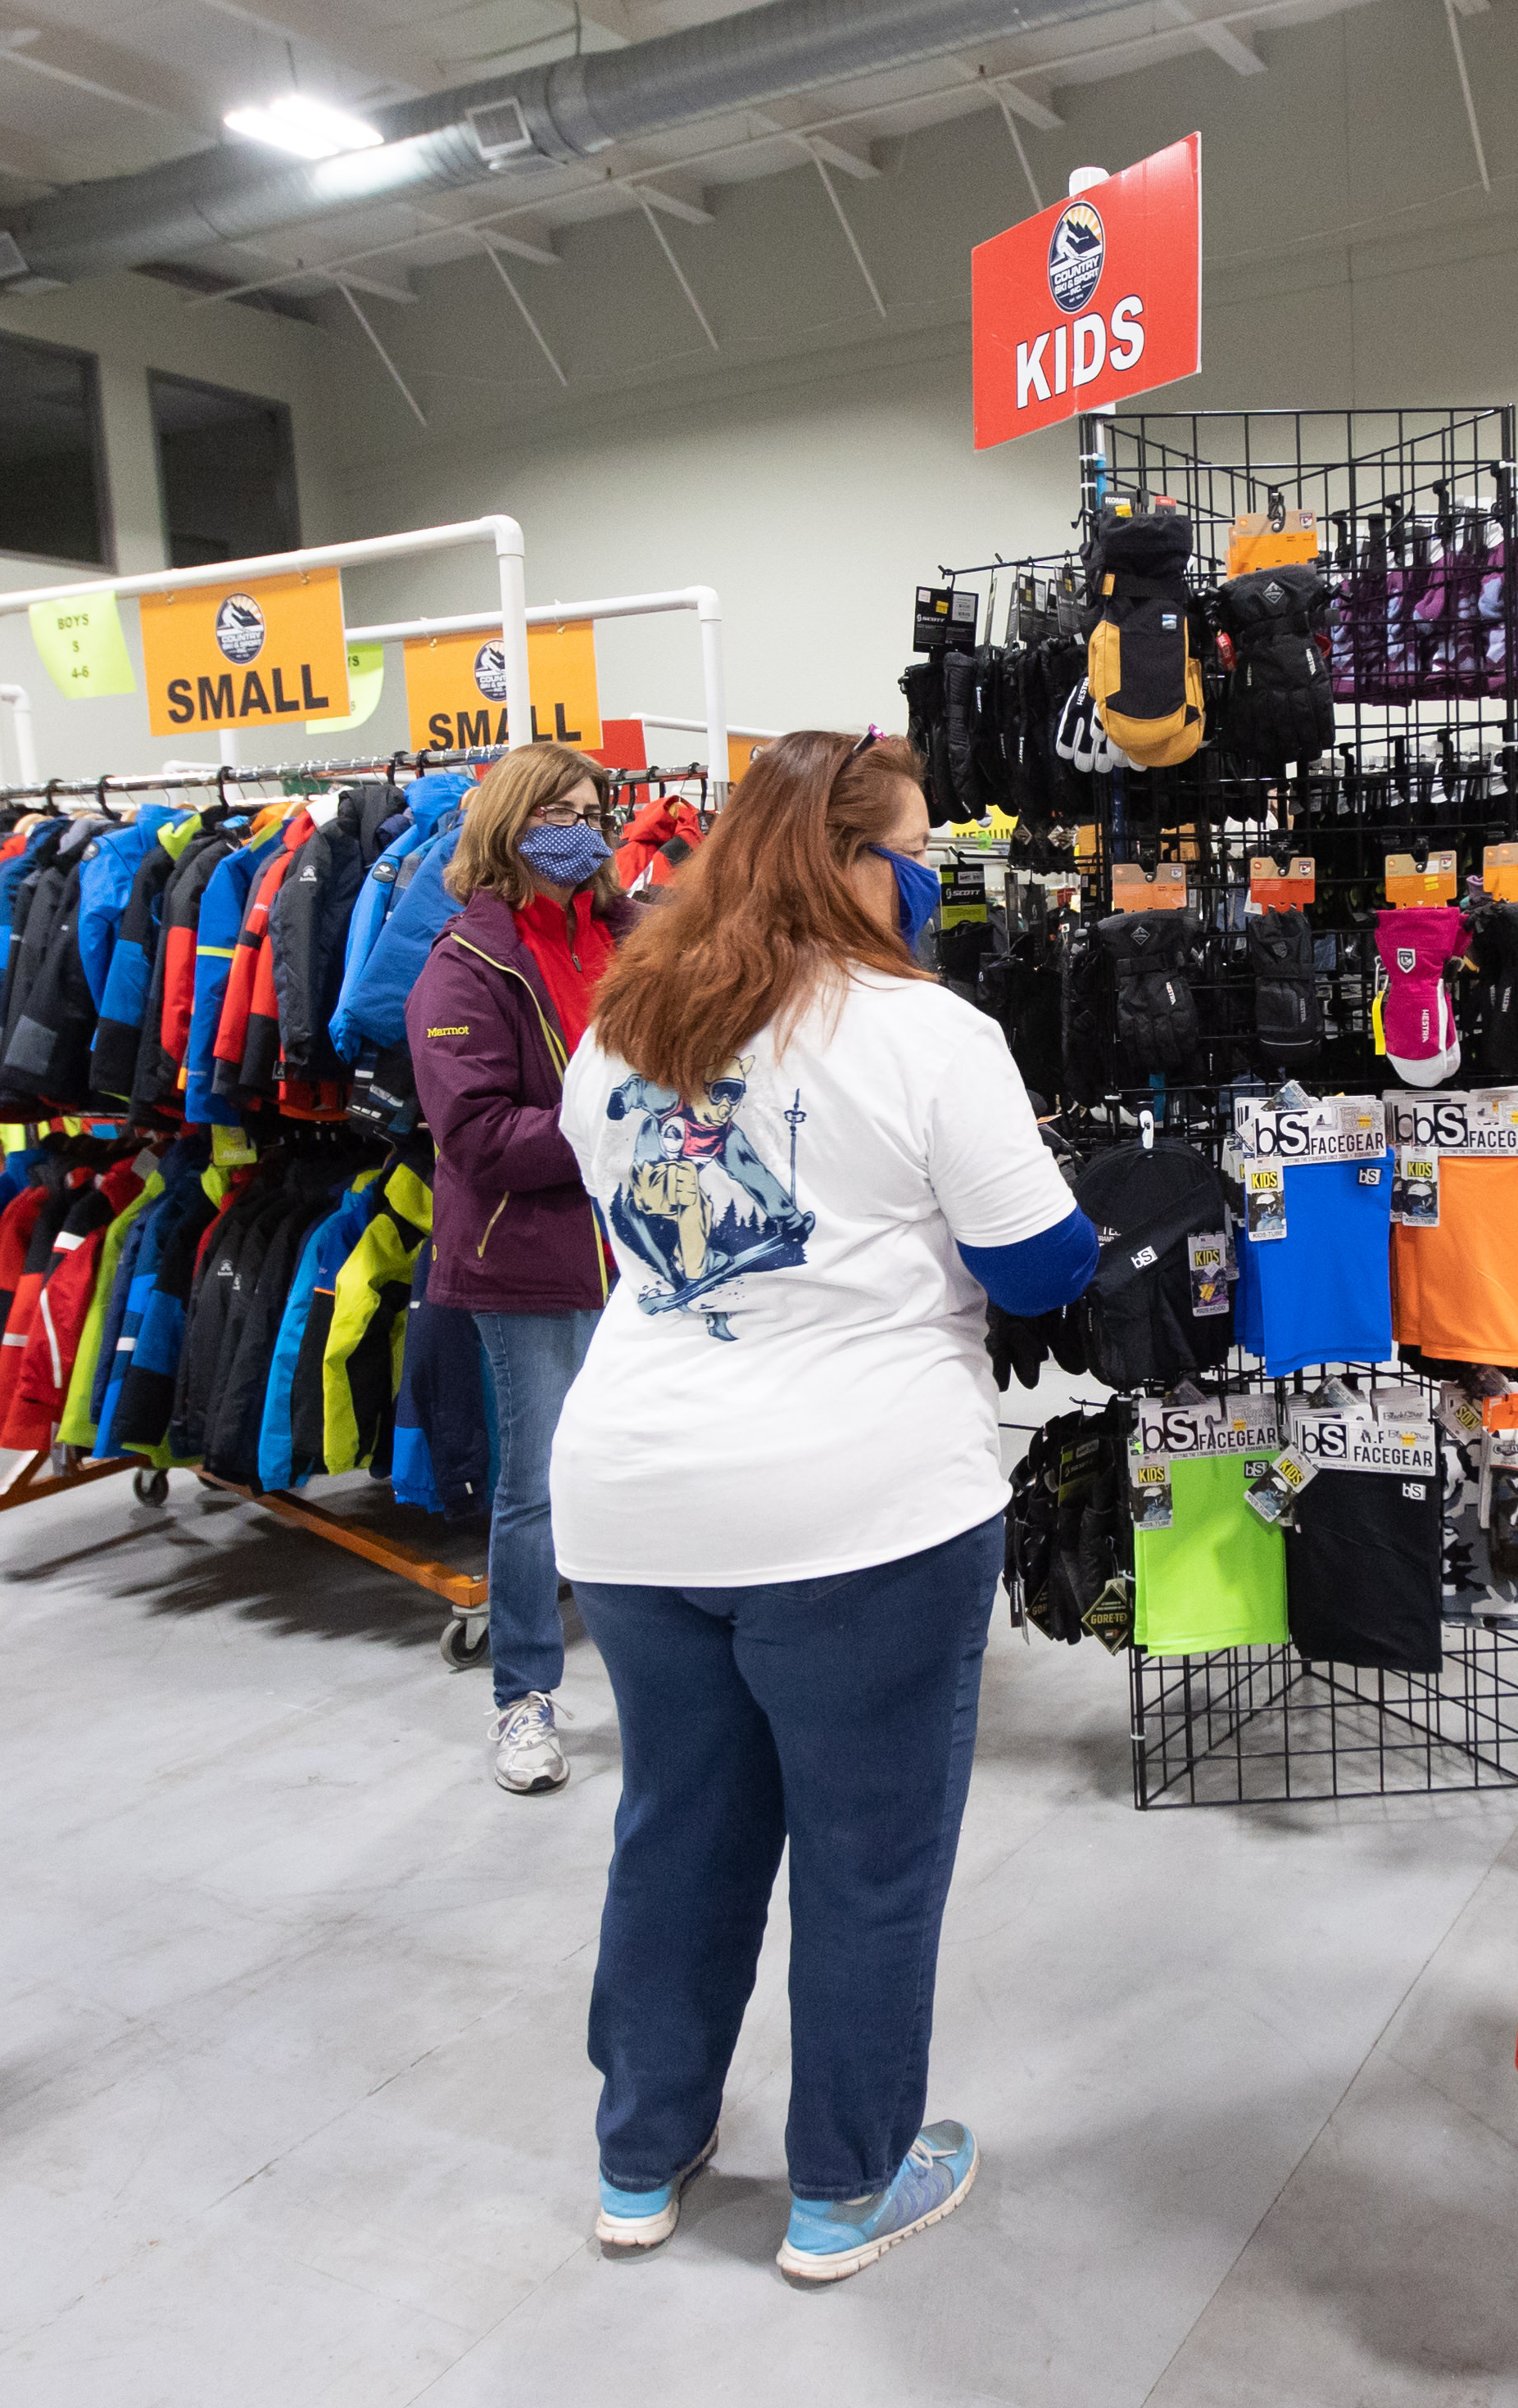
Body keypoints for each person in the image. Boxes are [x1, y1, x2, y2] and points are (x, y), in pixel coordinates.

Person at [548, 730, 1095, 2284]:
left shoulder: (624, 1022)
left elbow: (634, 1231)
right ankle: (847, 2179)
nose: (926, 871)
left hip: (638, 1495)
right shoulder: (926, 1031)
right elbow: (1041, 1264)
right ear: (851, 861)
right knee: (866, 1852)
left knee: (678, 1829)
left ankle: (642, 2153)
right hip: (862, 1509)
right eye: (914, 844)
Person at [401, 742, 630, 1798]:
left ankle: (664, 1681)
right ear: (508, 822)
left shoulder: (630, 936)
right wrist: (622, 1126)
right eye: (558, 811)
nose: (581, 828)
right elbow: (479, 1135)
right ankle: (523, 1697)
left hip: (650, 1248)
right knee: (537, 1485)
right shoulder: (466, 962)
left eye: (592, 809)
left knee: (645, 1468)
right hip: (529, 1257)